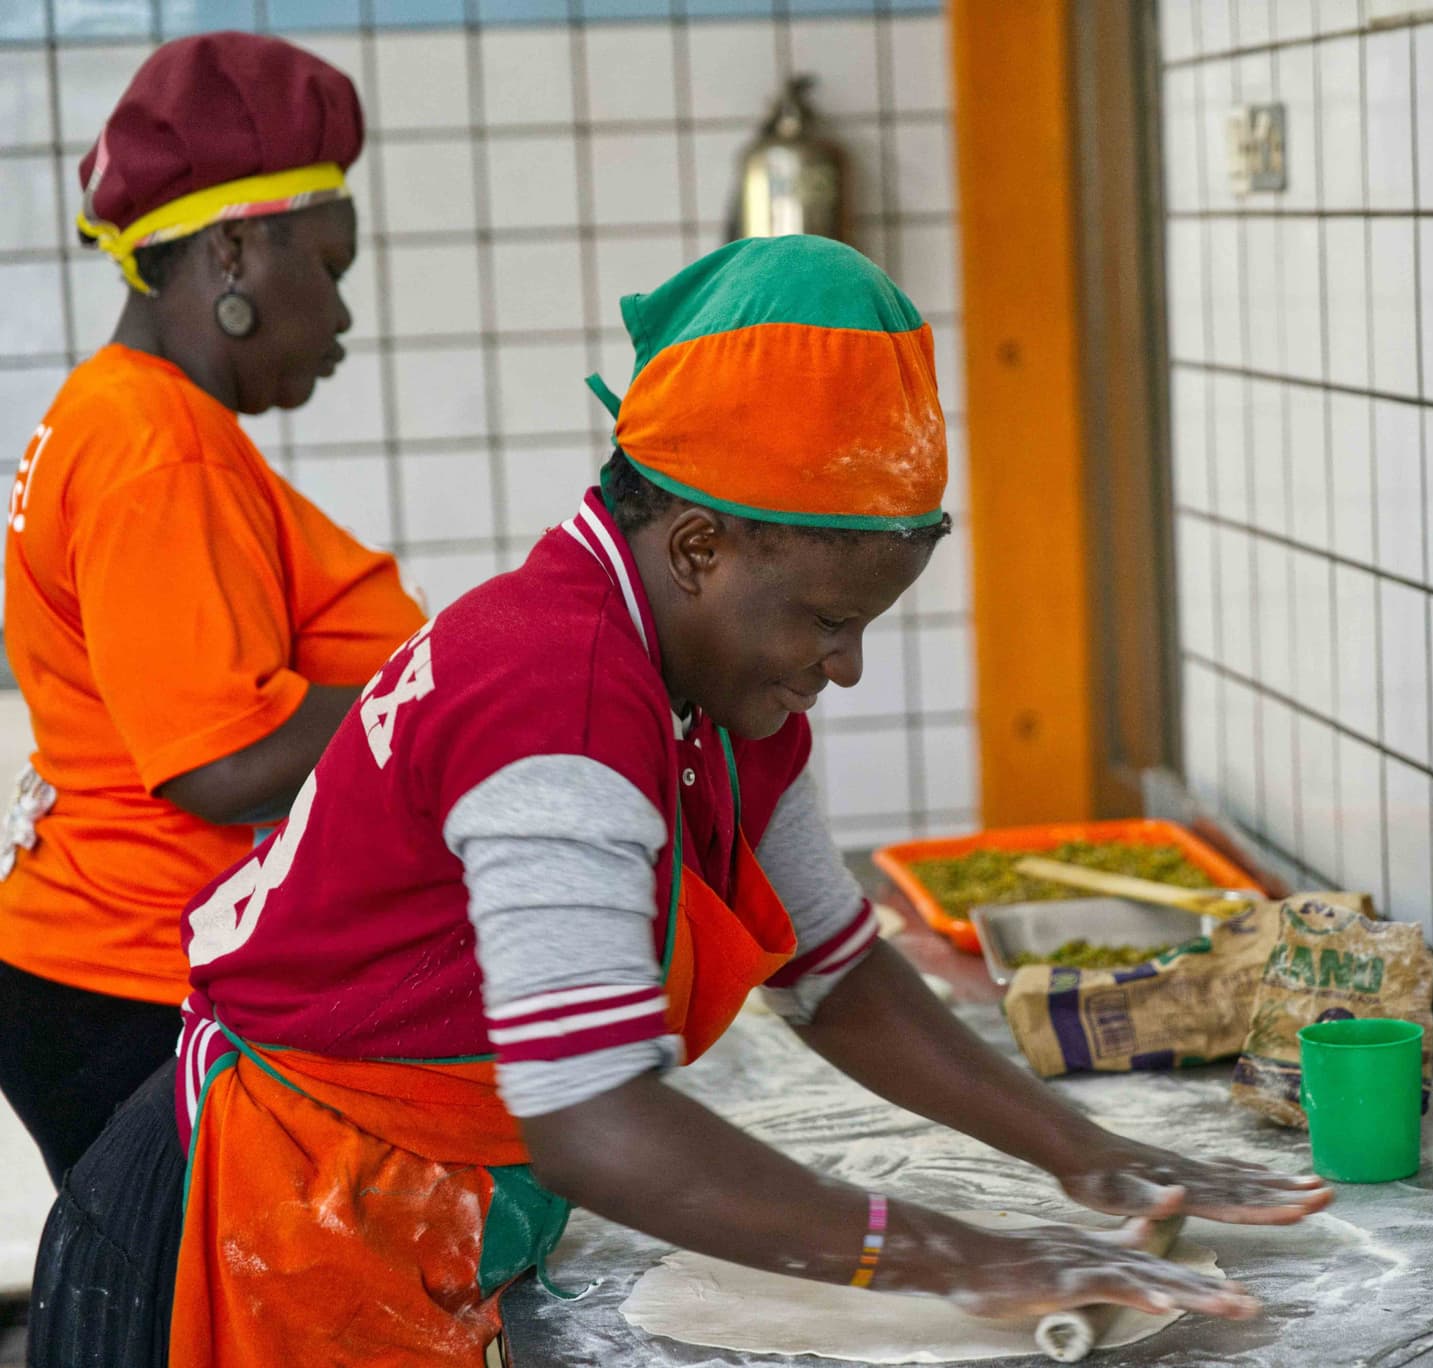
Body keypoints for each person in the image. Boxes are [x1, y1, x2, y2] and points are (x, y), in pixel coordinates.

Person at [30, 236, 1333, 1366]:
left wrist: (1082, 1151)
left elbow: (838, 973)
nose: (847, 665)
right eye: (828, 620)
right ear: (702, 545)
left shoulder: (713, 696)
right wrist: (959, 1257)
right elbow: (599, 1121)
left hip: (408, 1199)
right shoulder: (557, 700)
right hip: (272, 1222)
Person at [0, 32, 424, 1186]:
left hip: (111, 973)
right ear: (234, 248)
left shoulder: (130, 418)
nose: (341, 315)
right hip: (137, 987)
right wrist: (449, 694)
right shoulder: (154, 448)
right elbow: (221, 761)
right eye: (330, 269)